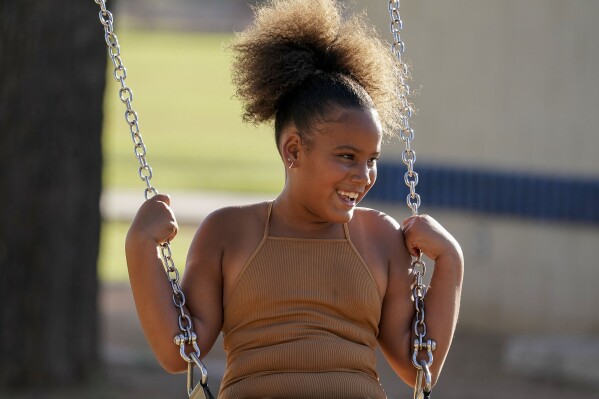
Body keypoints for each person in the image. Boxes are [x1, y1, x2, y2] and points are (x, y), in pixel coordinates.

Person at [125, 0, 464, 398]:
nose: (364, 175)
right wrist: (140, 246)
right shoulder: (229, 233)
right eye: (347, 157)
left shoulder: (381, 239)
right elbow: (178, 351)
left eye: (371, 160)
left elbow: (418, 368)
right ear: (293, 151)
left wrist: (450, 261)